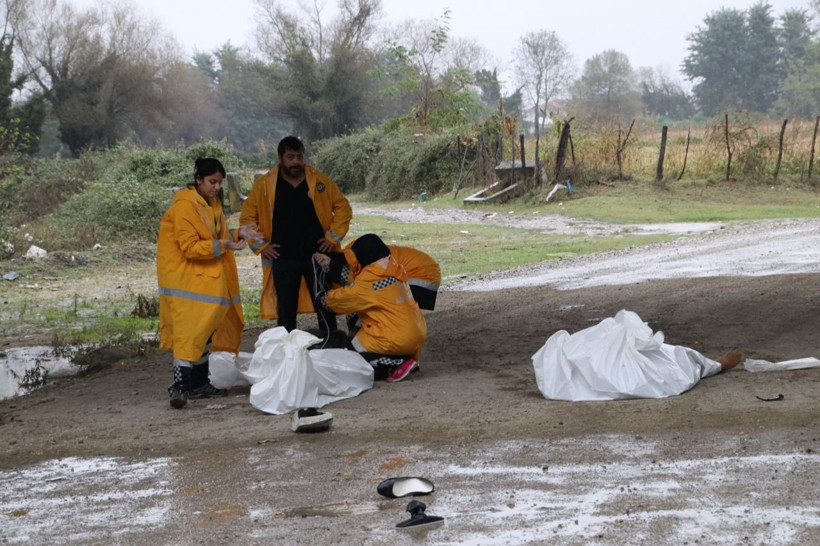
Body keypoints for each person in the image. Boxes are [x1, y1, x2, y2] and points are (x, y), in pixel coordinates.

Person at [157, 158, 261, 409]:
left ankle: (199, 383)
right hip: (185, 281)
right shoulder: (185, 206)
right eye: (212, 182)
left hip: (203, 281)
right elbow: (190, 247)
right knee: (188, 334)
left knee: (204, 332)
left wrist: (237, 234)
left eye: (219, 183)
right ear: (198, 180)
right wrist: (224, 244)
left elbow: (217, 236)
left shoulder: (210, 203)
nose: (216, 187)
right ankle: (180, 386)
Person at [239, 136, 352, 335]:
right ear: (280, 158)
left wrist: (332, 238)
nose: (296, 162)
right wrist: (262, 246)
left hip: (317, 255)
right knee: (285, 308)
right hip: (283, 257)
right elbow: (248, 216)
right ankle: (285, 349)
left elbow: (342, 206)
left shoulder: (319, 181)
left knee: (324, 303)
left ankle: (329, 343)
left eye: (299, 156)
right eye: (290, 157)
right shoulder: (265, 185)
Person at [314, 234, 427, 383]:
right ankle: (404, 358)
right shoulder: (392, 269)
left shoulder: (370, 283)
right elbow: (358, 283)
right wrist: (330, 265)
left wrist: (321, 298)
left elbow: (344, 298)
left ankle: (399, 362)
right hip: (415, 333)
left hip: (397, 338)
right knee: (360, 314)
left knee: (352, 354)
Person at [325, 239, 441, 311]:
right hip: (424, 269)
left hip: (421, 273)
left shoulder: (364, 259)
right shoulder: (360, 251)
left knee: (389, 306)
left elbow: (359, 290)